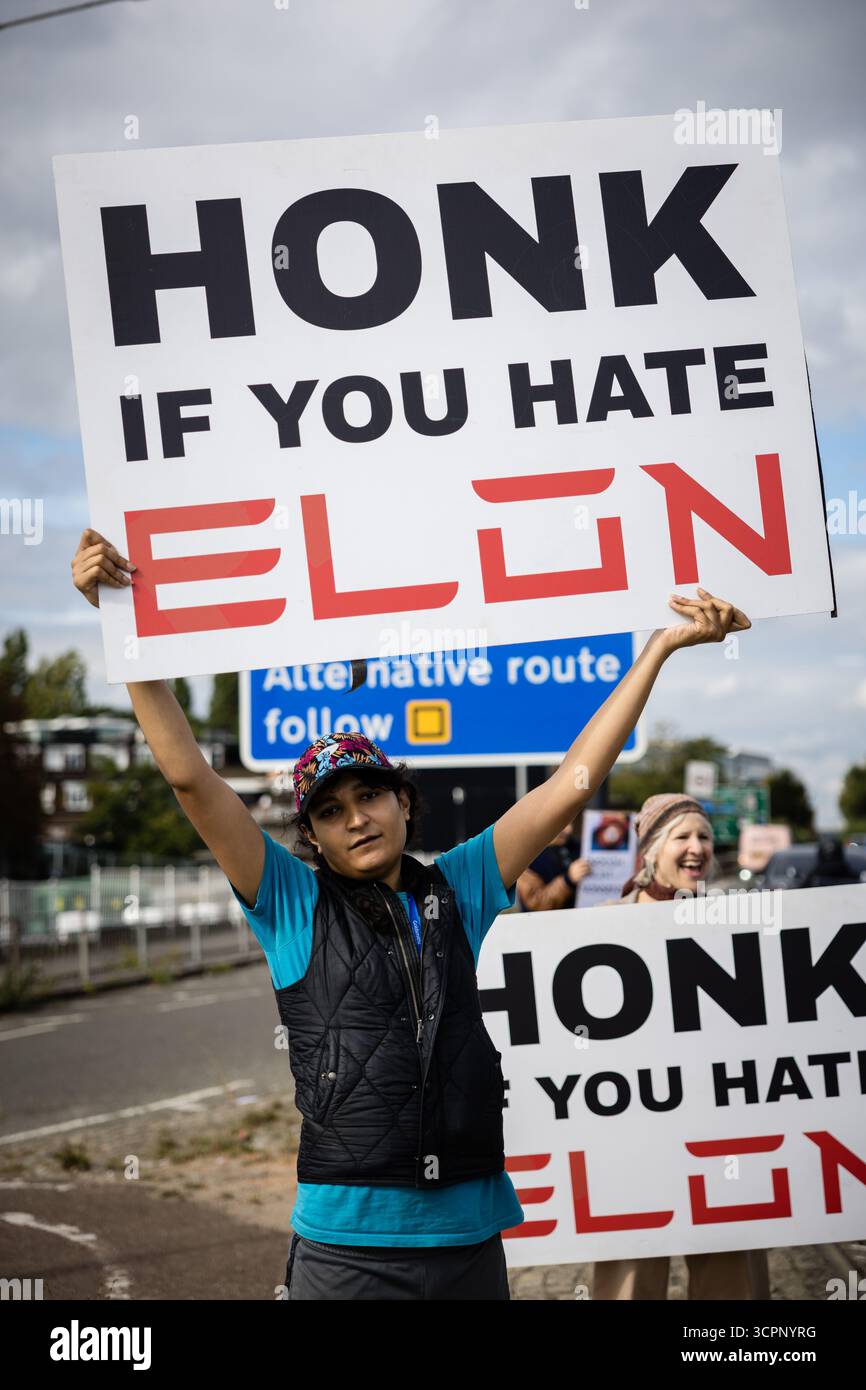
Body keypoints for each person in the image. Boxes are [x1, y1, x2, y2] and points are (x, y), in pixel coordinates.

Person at [72, 529, 750, 1300]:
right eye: (330, 811)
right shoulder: (291, 901)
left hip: (469, 1238)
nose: (355, 818)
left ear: (402, 801)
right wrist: (122, 630)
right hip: (346, 1248)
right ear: (314, 837)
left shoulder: (462, 881)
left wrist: (658, 649)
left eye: (369, 795)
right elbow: (191, 778)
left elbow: (572, 784)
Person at [592, 792, 771, 1301]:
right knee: (630, 1270)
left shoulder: (733, 921)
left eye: (705, 838)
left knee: (729, 1272)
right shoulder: (601, 925)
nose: (697, 848)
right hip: (633, 1139)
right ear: (650, 849)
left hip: (719, 1139)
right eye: (683, 837)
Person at [516, 815, 590, 911]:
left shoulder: (577, 846)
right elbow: (537, 903)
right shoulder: (526, 858)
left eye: (570, 822)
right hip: (546, 923)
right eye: (562, 824)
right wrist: (568, 880)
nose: (569, 830)